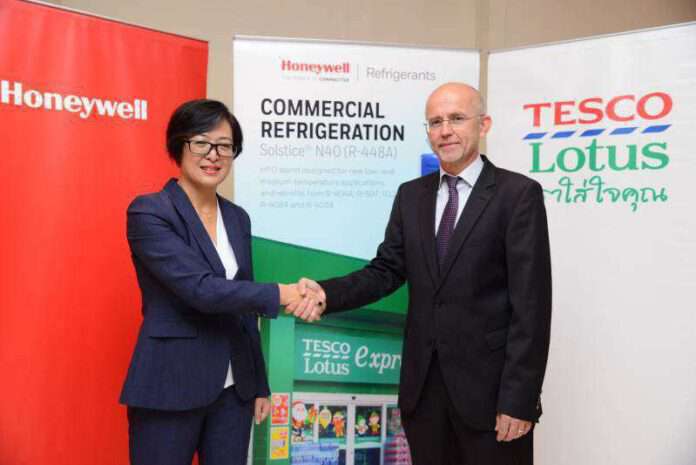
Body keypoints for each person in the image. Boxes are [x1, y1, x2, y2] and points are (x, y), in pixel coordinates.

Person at [291, 83, 552, 465]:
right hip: (424, 396)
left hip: (493, 399)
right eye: (435, 122)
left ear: (484, 125)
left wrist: (519, 399)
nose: (445, 130)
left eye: (457, 118)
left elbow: (532, 307)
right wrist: (325, 294)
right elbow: (386, 270)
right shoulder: (411, 196)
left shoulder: (517, 195)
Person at [119, 99, 308, 465]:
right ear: (179, 146)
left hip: (234, 391)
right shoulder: (150, 211)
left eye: (224, 146)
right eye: (201, 143)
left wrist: (258, 382)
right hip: (170, 384)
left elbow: (242, 307)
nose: (213, 155)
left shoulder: (237, 218)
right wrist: (283, 293)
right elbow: (201, 290)